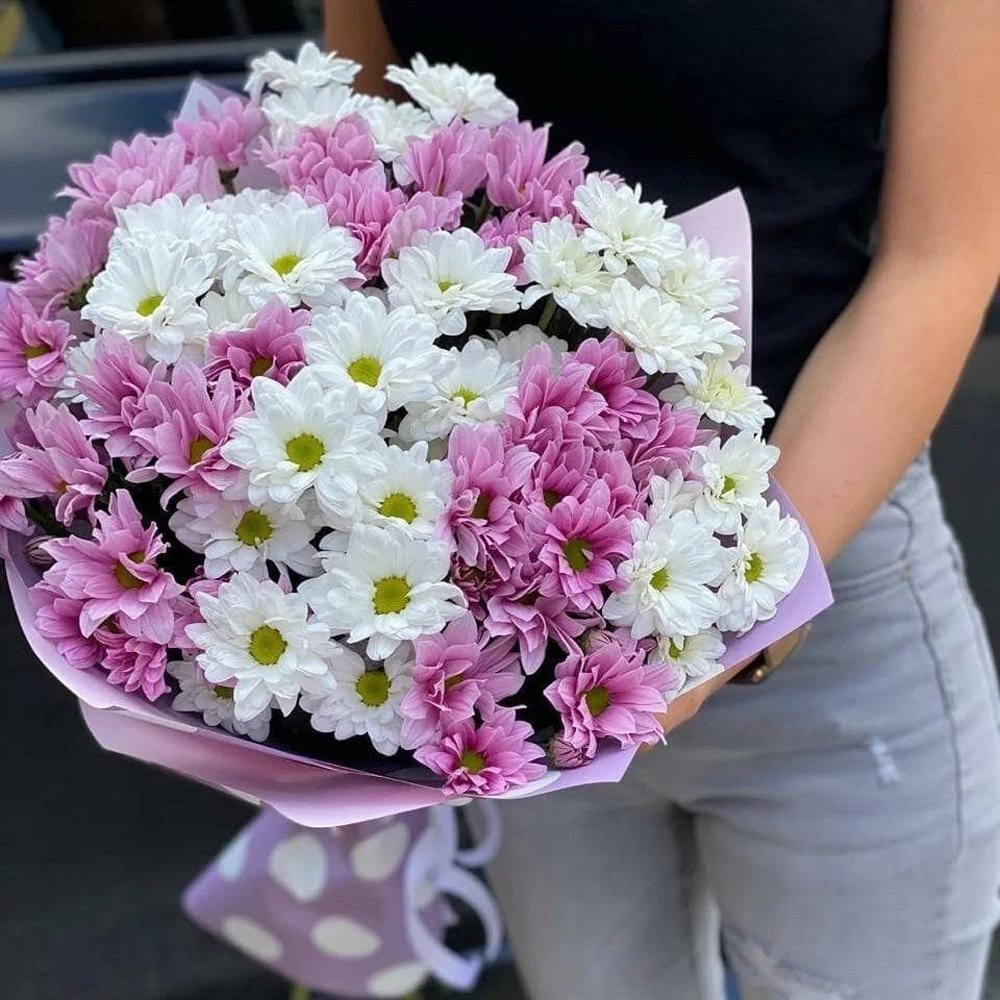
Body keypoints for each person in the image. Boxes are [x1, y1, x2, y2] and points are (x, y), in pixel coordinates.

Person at [325, 3, 1000, 997]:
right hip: (509, 623)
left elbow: (941, 256)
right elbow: (367, 178)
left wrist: (733, 604)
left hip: (817, 591)